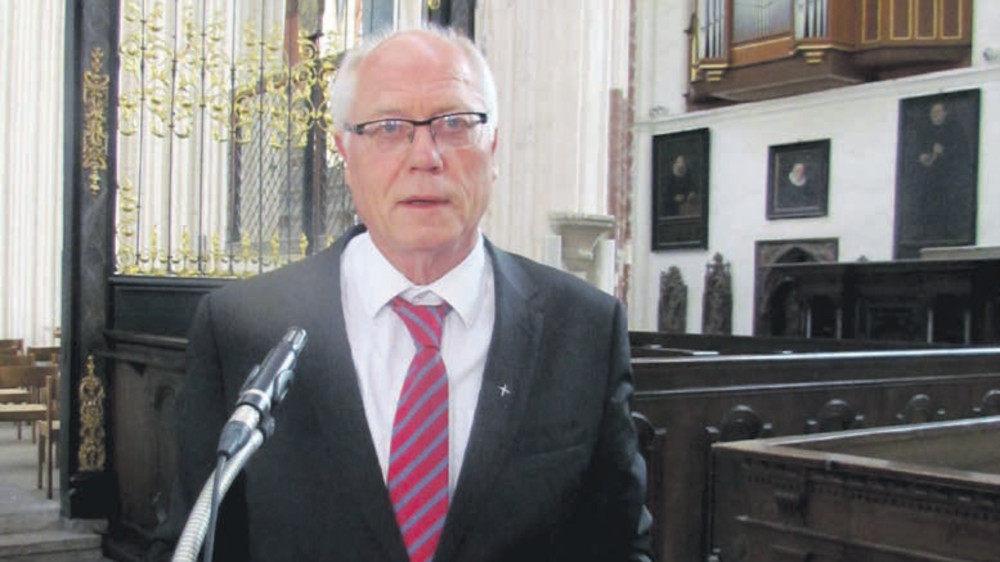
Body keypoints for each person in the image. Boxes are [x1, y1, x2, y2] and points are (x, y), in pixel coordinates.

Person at [175, 24, 654, 562]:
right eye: (389, 127)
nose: (425, 156)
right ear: (345, 153)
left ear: (492, 146)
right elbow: (196, 544)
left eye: (455, 123)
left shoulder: (583, 329)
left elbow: (617, 545)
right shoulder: (242, 328)